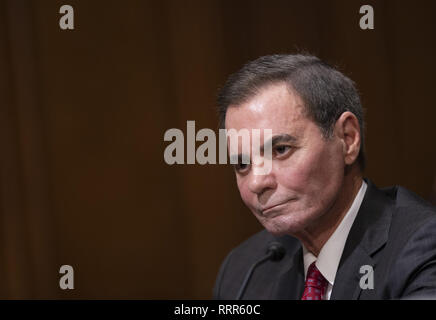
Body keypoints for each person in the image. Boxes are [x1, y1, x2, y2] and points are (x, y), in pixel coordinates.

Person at [213, 54, 436, 300]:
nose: (257, 183)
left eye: (281, 150)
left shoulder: (422, 247)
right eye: (242, 164)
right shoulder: (244, 270)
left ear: (347, 138)